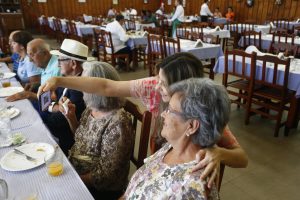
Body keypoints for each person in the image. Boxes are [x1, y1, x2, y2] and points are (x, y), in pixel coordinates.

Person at [38, 52, 248, 188]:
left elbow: (242, 158)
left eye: (162, 83)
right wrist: (59, 80)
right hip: (159, 160)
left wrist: (218, 152)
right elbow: (106, 86)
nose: (155, 86)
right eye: (157, 79)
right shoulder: (154, 86)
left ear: (183, 91)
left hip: (182, 175)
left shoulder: (199, 112)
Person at [122, 78, 229, 199]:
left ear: (191, 126)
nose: (163, 114)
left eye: (170, 110)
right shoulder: (172, 146)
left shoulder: (191, 187)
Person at [65, 61, 134, 200]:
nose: (82, 88)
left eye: (85, 84)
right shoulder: (92, 108)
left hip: (100, 190)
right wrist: (71, 117)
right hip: (76, 170)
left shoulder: (118, 123)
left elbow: (106, 176)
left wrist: (72, 181)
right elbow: (80, 139)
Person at [42, 39, 87, 155]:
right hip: (60, 131)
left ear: (73, 63)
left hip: (68, 142)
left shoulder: (79, 89)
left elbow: (55, 120)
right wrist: (53, 106)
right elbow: (46, 101)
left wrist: (50, 106)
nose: (58, 64)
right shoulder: (67, 80)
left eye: (60, 60)